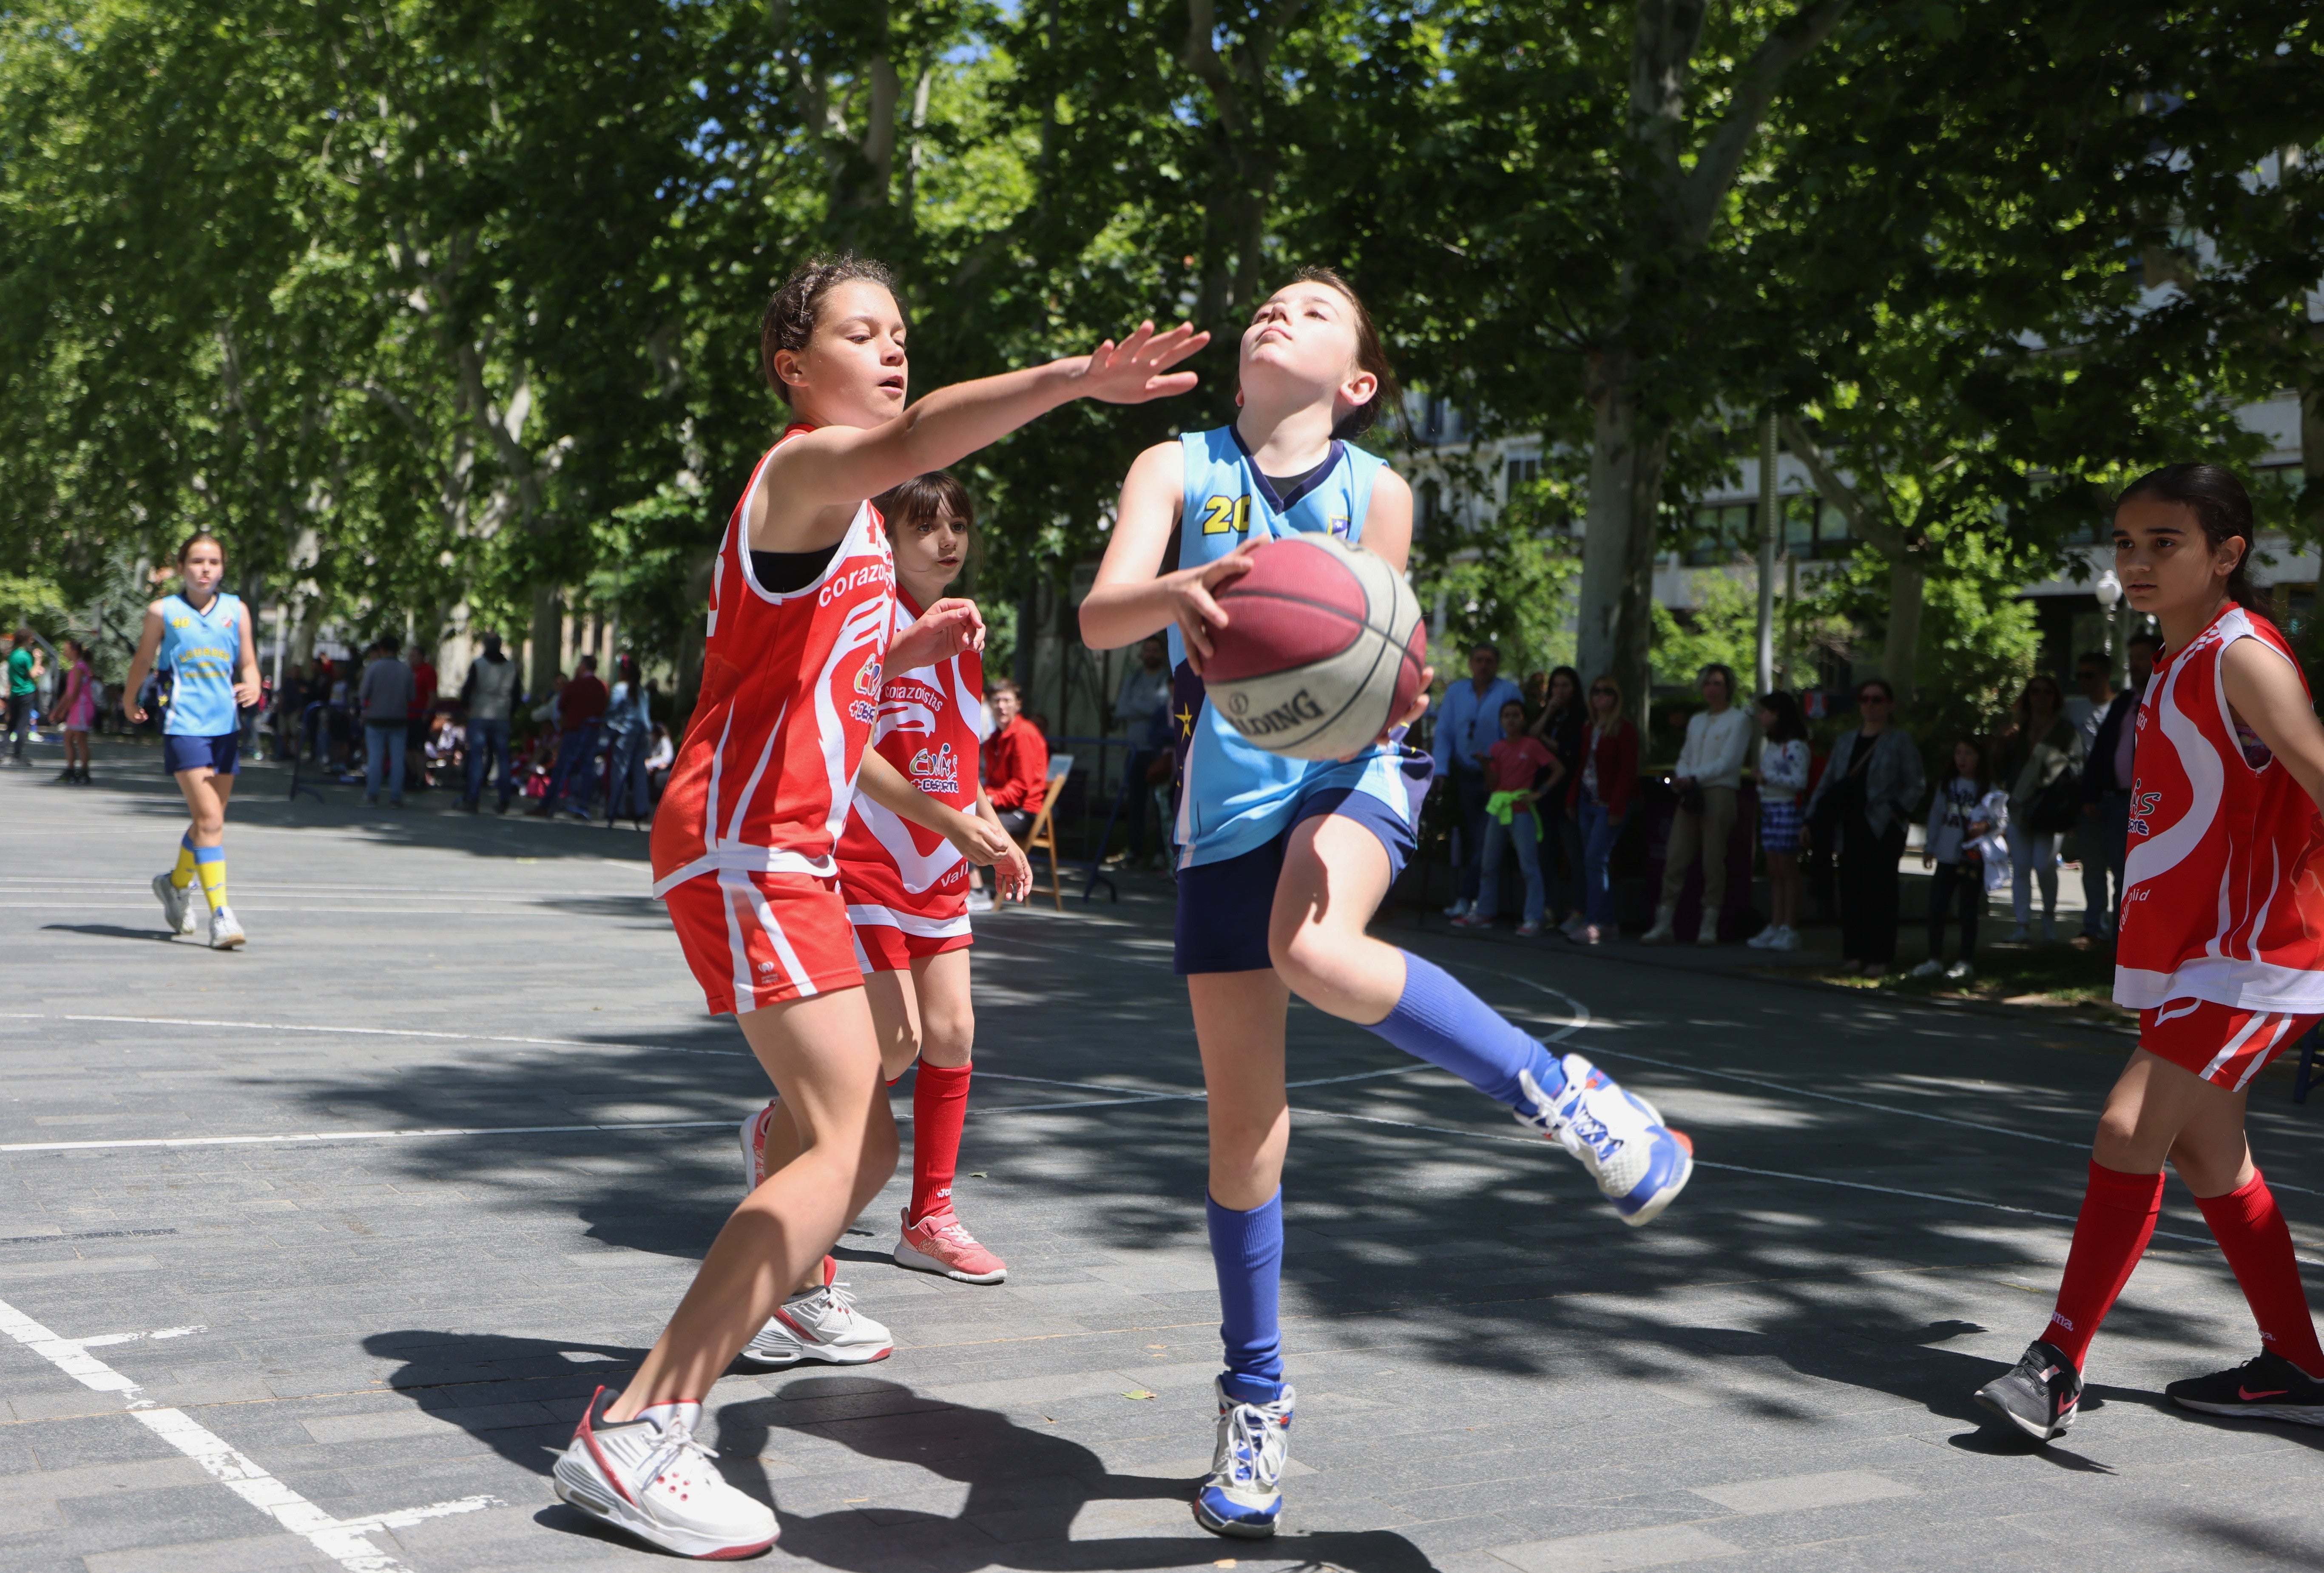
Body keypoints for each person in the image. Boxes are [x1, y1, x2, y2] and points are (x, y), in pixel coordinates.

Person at [544, 253, 1207, 1560]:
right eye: (863, 332)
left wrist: (888, 653)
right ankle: (635, 1429)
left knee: (862, 1136)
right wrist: (1073, 381)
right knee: (852, 1143)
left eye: (902, 332)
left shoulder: (850, 536)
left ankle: (769, 1296)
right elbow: (909, 438)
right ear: (795, 366)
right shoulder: (802, 470)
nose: (893, 351)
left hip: (775, 844)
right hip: (747, 842)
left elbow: (803, 676)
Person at [1079, 266, 1692, 1542]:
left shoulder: (1379, 491)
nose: (1274, 314)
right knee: (1243, 1132)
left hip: (1351, 770)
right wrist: (1177, 597)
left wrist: (1402, 683)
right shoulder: (1175, 468)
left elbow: (1373, 647)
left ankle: (1562, 1093)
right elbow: (1097, 615)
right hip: (1224, 806)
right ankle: (1255, 1398)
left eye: (1311, 310)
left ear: (1356, 383)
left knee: (1315, 945)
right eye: (1268, 304)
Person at [1973, 463, 2324, 1442]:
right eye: (2123, 542)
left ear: (2224, 555)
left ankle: (2054, 1362)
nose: (2134, 560)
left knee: (2127, 1125)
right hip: (2202, 954)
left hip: (2254, 952)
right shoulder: (2172, 659)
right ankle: (2295, 1363)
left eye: (2161, 542)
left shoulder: (2238, 656)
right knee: (2213, 1156)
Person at [740, 470, 1036, 1327]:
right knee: (891, 1042)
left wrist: (990, 827)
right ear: (888, 537)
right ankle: (790, 1150)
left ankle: (928, 1218)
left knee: (952, 1031)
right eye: (925, 527)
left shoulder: (965, 632)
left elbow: (961, 752)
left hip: (939, 862)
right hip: (865, 856)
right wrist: (954, 819)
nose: (946, 541)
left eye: (959, 526)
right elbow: (848, 746)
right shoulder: (865, 616)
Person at [118, 533, 261, 950]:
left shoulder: (238, 611)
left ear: (222, 569)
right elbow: (144, 660)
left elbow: (249, 664)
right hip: (183, 727)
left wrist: (252, 686)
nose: (205, 569)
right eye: (197, 561)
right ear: (181, 567)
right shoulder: (164, 611)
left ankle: (175, 883)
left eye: (213, 562)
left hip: (226, 729)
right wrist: (129, 699)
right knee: (211, 822)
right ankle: (222, 915)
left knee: (208, 821)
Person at [1803, 679, 1923, 976]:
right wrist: (1811, 818)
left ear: (1889, 704)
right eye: (1865, 699)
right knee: (1852, 891)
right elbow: (1828, 782)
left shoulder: (1900, 741)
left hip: (1882, 827)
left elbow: (1916, 783)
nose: (1870, 704)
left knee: (1880, 892)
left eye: (1878, 699)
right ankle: (1854, 953)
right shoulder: (1845, 741)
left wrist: (1896, 811)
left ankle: (1880, 956)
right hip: (1848, 826)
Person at [1643, 663, 1751, 947]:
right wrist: (1682, 776)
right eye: (1707, 684)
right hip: (1691, 792)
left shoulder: (1738, 720)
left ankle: (1709, 923)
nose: (1712, 689)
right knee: (1676, 855)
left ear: (1727, 687)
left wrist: (1694, 776)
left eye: (1717, 683)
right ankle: (1664, 921)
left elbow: (1729, 761)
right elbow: (1687, 753)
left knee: (1713, 859)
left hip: (1719, 790)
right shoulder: (1697, 720)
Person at [1453, 698, 1562, 935]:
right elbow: (1493, 785)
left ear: (1523, 719)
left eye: (1516, 715)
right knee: (1488, 864)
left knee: (1529, 866)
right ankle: (1484, 912)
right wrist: (1484, 765)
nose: (1511, 720)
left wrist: (1539, 793)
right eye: (1506, 716)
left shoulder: (1532, 745)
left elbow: (1558, 769)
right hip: (1499, 808)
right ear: (1501, 721)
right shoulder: (1497, 748)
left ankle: (1534, 917)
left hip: (1521, 811)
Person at [1433, 642, 1522, 918]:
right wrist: (1441, 770)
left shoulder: (1509, 691)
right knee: (1476, 838)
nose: (1484, 665)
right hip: (1466, 773)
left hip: (1497, 778)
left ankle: (1468, 898)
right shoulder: (1457, 692)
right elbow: (1444, 732)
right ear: (1471, 663)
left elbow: (1516, 733)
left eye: (1489, 660)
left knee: (1485, 840)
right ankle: (1477, 901)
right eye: (1479, 660)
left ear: (1497, 664)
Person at [2083, 630, 2159, 937]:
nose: (2135, 664)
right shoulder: (2125, 701)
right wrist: (2090, 792)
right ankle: (2120, 946)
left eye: (2142, 657)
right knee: (2122, 875)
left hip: (2152, 802)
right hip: (2118, 802)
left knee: (2148, 877)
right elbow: (2102, 749)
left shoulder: (2168, 695)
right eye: (2132, 659)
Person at [1999, 673, 2084, 944]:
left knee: (2044, 865)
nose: (2040, 697)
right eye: (2035, 691)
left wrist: (2049, 765)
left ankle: (2049, 919)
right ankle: (2022, 924)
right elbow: (1999, 765)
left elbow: (2076, 766)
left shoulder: (2064, 730)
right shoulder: (2018, 730)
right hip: (2020, 806)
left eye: (2047, 692)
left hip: (2049, 808)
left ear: (2055, 697)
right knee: (2021, 867)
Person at [1913, 737, 2001, 981]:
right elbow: (1936, 815)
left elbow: (2000, 819)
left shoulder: (1988, 788)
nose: (1963, 759)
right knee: (1937, 907)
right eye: (1959, 753)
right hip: (1947, 857)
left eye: (1969, 754)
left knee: (1968, 910)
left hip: (1972, 858)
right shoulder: (1948, 785)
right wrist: (1930, 847)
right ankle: (1934, 959)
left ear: (1980, 758)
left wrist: (1987, 825)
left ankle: (1965, 961)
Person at [1572, 674, 1639, 946]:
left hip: (1609, 806)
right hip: (1587, 802)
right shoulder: (1589, 728)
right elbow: (1582, 767)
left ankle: (1594, 922)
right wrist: (1570, 801)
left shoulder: (1624, 730)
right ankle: (1608, 921)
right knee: (1596, 862)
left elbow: (1627, 772)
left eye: (1608, 692)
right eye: (1597, 692)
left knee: (1595, 860)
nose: (1602, 697)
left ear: (1616, 697)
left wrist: (1617, 806)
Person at [1747, 690, 1810, 952]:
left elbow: (1799, 782)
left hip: (1786, 809)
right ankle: (1776, 922)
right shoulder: (1772, 744)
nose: (1761, 717)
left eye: (1765, 712)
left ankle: (1789, 926)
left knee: (1786, 868)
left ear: (1778, 715)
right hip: (1770, 807)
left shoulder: (1795, 746)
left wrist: (1767, 778)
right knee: (1774, 869)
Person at [1528, 666, 1588, 933]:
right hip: (1545, 796)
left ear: (1574, 689)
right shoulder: (1548, 714)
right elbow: (1532, 738)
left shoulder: (1581, 717)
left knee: (1575, 855)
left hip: (1569, 794)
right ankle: (1549, 909)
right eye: (1556, 686)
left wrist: (1545, 741)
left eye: (1566, 686)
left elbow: (1568, 752)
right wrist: (1549, 712)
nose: (1561, 691)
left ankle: (1580, 910)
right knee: (1545, 856)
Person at [1110, 634, 1175, 868]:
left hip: (1160, 752)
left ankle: (1161, 853)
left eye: (1155, 650)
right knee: (1135, 804)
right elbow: (1120, 710)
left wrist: (1138, 708)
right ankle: (1135, 853)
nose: (1151, 655)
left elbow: (1164, 710)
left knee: (1162, 807)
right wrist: (1150, 709)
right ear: (1142, 653)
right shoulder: (1133, 678)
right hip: (1135, 750)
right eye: (1147, 650)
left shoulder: (1169, 678)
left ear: (1162, 653)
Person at [2067, 650, 2116, 938]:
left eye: (2090, 675)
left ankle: (2120, 932)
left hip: (2119, 794)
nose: (2084, 681)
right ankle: (2093, 926)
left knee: (2123, 869)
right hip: (2087, 797)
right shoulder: (2072, 708)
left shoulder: (2121, 706)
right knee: (2093, 866)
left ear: (2106, 675)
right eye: (2080, 676)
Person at [537, 654, 608, 818]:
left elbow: (562, 705)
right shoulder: (601, 687)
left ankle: (549, 804)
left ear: (583, 666)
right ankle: (584, 806)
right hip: (593, 731)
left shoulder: (576, 685)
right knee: (587, 769)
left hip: (575, 731)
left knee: (563, 766)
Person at [460, 631, 520, 812]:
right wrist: (510, 712)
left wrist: (467, 707)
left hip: (480, 713)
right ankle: (504, 800)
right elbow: (517, 694)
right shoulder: (511, 667)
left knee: (477, 758)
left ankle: (472, 799)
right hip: (502, 715)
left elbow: (467, 689)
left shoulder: (479, 665)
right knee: (503, 759)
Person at [983, 680, 1048, 840]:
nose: (1001, 706)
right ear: (990, 705)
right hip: (1002, 807)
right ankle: (971, 867)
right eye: (996, 700)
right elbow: (993, 782)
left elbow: (1021, 787)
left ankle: (975, 867)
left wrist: (990, 800)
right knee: (963, 822)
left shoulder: (1023, 734)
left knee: (980, 829)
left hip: (1025, 810)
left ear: (1018, 705)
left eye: (1007, 701)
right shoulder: (994, 739)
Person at [358, 636, 415, 808]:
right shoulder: (406, 670)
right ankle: (396, 797)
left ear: (382, 649)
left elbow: (364, 694)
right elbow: (412, 696)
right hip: (398, 719)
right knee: (398, 759)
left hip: (376, 718)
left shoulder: (373, 669)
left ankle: (372, 795)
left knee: (375, 758)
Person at [604, 653, 654, 824]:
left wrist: (610, 729)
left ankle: (616, 809)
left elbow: (611, 712)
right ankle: (642, 810)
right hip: (643, 735)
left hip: (626, 734)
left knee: (619, 772)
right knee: (640, 773)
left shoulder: (620, 689)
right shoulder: (643, 691)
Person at [5, 627, 35, 764]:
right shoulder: (26, 656)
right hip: (26, 692)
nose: (32, 640)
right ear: (26, 639)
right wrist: (39, 660)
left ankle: (2, 751)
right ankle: (17, 755)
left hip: (14, 693)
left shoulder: (12, 656)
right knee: (23, 725)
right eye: (31, 638)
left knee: (11, 724)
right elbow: (32, 675)